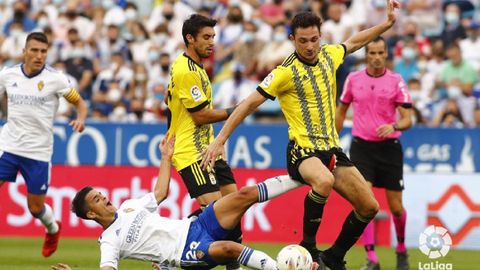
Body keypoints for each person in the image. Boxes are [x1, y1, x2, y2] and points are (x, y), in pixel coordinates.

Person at [201, 1, 400, 269]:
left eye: (314, 39)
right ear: (292, 39)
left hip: (332, 150)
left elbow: (353, 42)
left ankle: (334, 256)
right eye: (303, 40)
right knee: (324, 181)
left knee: (369, 206)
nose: (309, 46)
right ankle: (308, 247)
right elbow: (248, 104)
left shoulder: (330, 54)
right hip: (301, 151)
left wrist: (386, 24)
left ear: (321, 36)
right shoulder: (284, 72)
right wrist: (220, 138)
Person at [51, 135, 310, 270]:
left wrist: (166, 157)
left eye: (101, 193)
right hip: (185, 253)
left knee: (242, 196)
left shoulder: (129, 206)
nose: (105, 197)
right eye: (97, 199)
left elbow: (160, 193)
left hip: (194, 227)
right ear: (92, 214)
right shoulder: (109, 241)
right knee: (231, 248)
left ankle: (302, 174)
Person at [0, 32, 87, 257]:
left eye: (43, 51)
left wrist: (81, 118)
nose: (39, 56)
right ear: (24, 51)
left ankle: (53, 228)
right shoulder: (7, 75)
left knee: (35, 208)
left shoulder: (56, 79)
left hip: (38, 152)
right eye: (34, 50)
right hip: (8, 146)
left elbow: (79, 102)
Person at [166, 14, 243, 270]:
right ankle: (169, 252)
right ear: (190, 38)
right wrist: (237, 110)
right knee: (217, 214)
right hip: (191, 154)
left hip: (209, 151)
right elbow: (199, 116)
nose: (212, 42)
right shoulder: (185, 70)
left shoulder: (196, 68)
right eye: (206, 37)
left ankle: (233, 266)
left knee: (235, 207)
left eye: (213, 37)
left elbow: (172, 107)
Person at [335, 37, 412, 270]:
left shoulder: (396, 82)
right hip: (362, 147)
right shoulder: (353, 79)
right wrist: (333, 141)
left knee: (396, 207)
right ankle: (372, 258)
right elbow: (341, 111)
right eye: (372, 53)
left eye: (381, 53)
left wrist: (395, 126)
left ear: (386, 54)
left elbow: (408, 118)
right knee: (363, 200)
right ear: (366, 55)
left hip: (389, 148)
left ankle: (400, 248)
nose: (377, 57)